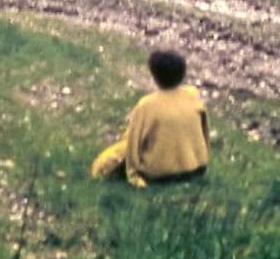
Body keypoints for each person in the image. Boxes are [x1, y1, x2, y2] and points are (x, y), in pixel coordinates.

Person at [90, 50, 209, 188]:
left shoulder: (147, 105)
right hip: (196, 169)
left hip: (160, 175)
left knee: (113, 156)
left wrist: (105, 168)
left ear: (154, 76)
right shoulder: (192, 95)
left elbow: (133, 143)